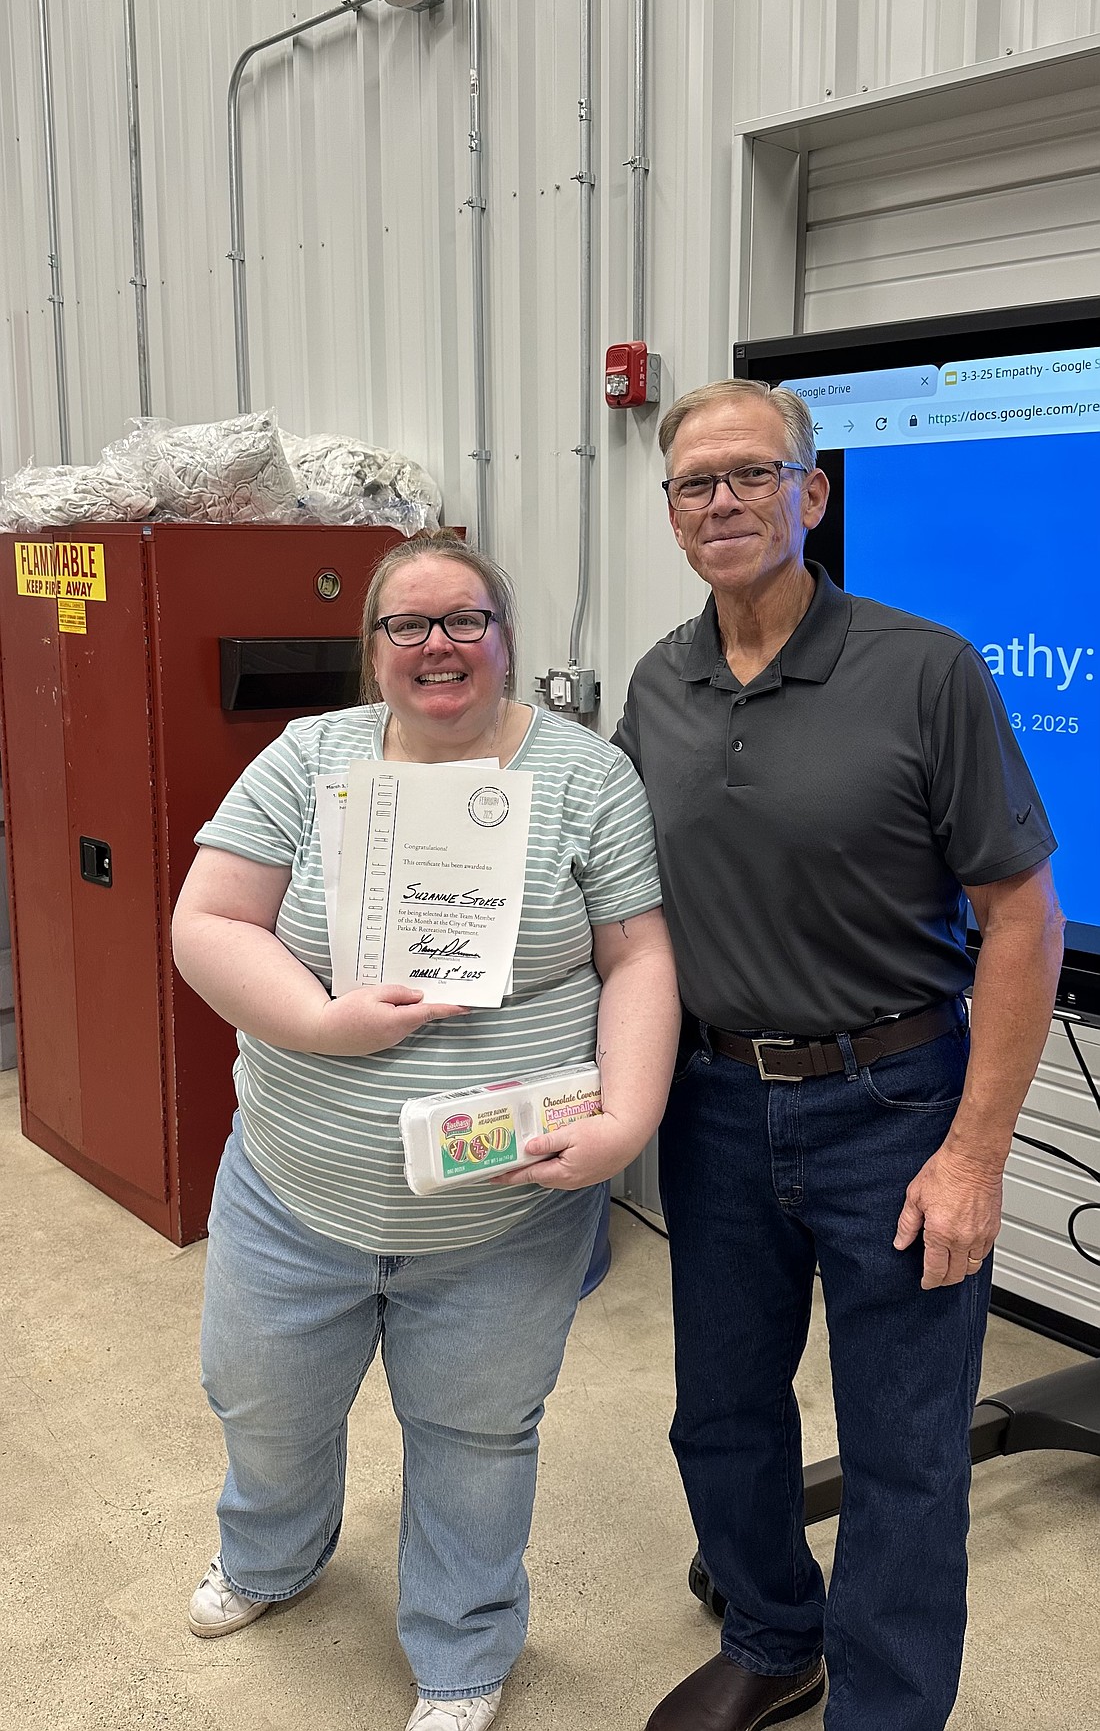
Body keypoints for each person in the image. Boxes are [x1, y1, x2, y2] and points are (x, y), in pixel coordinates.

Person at [613, 379, 1065, 1731]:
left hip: (897, 1107)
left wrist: (975, 1151)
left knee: (906, 1450)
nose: (726, 502)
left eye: (755, 475)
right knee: (723, 1415)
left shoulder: (925, 669)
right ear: (675, 515)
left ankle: (884, 1708)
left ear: (814, 496)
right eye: (698, 483)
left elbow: (1025, 922)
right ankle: (773, 1635)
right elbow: (619, 906)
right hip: (709, 1107)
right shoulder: (660, 681)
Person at [172, 530, 680, 1731]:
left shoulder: (588, 776)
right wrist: (317, 1020)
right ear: (374, 650)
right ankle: (270, 1555)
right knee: (262, 1397)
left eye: (465, 620)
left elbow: (638, 955)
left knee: (475, 1432)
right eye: (408, 624)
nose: (437, 644)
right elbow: (208, 919)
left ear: (507, 640)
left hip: (503, 1206)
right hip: (296, 1186)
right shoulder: (309, 759)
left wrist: (628, 1120)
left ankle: (460, 1652)